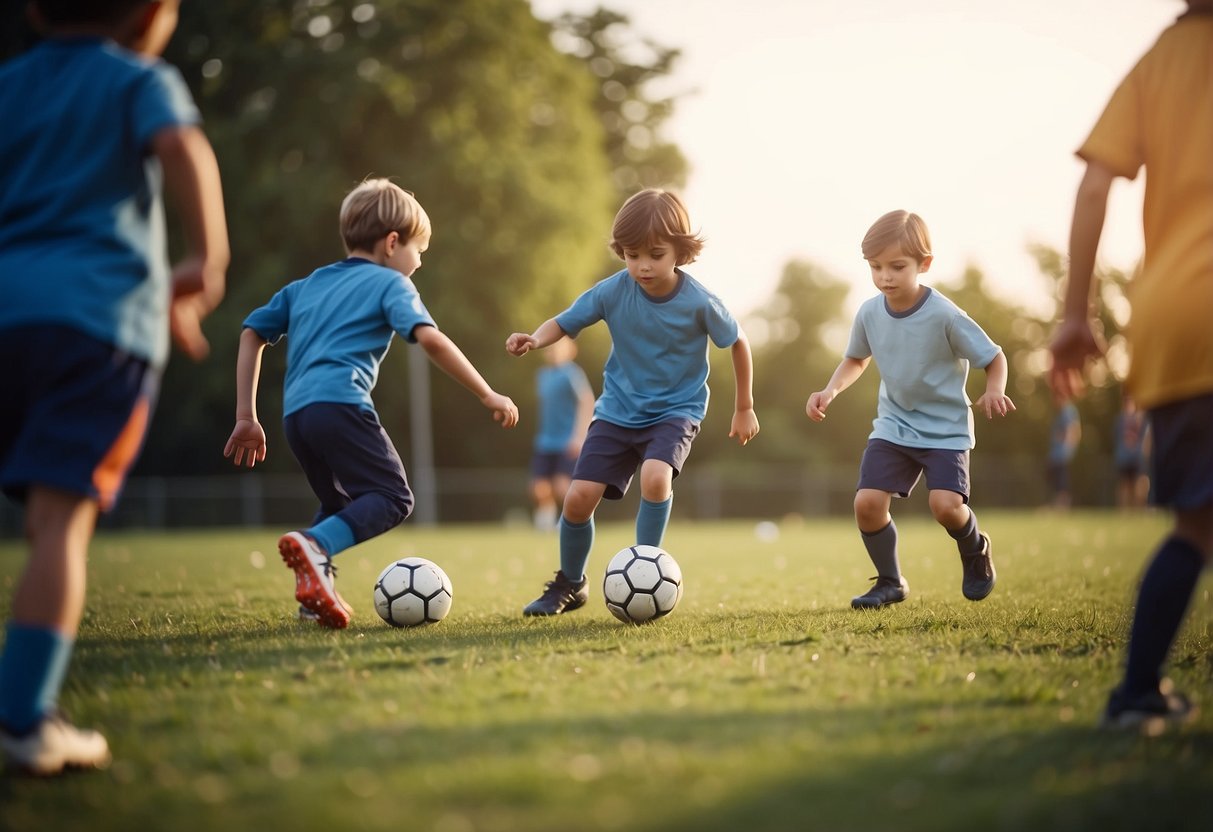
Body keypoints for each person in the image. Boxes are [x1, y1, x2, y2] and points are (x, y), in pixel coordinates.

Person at [0, 0, 229, 775]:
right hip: (95, 324)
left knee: (37, 523)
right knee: (60, 523)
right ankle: (25, 720)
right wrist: (204, 263)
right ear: (150, 13)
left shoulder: (10, 84)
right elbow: (184, 149)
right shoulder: (138, 79)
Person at [223, 178, 518, 629]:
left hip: (295, 417)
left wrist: (247, 415)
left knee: (340, 505)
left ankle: (312, 597)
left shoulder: (307, 285)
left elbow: (251, 333)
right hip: (341, 405)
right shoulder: (389, 285)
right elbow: (431, 341)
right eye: (418, 250)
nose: (419, 262)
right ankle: (316, 546)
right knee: (392, 496)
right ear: (392, 242)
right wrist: (486, 392)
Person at [1049, 0, 1211, 730]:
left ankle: (1136, 693)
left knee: (1196, 526)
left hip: (1176, 318)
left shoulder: (1159, 60)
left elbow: (1093, 185)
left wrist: (1075, 314)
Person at [506, 188, 759, 616]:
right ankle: (570, 583)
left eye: (655, 254)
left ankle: (646, 569)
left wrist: (744, 406)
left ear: (680, 251)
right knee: (576, 498)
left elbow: (737, 342)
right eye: (631, 254)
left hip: (676, 411)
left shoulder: (699, 302)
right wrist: (535, 338)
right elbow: (565, 322)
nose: (642, 265)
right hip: (617, 412)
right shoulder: (612, 291)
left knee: (657, 478)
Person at [806, 210, 1014, 610]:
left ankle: (974, 548)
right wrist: (830, 390)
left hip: (945, 429)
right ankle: (890, 582)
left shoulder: (945, 315)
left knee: (946, 507)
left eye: (897, 266)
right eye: (876, 266)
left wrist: (994, 389)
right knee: (866, 503)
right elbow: (856, 359)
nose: (885, 276)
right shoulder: (869, 312)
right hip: (894, 425)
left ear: (925, 264)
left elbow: (995, 357)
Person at [529, 337, 594, 531]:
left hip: (567, 441)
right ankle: (546, 522)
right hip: (545, 441)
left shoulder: (572, 373)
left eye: (557, 347)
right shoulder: (542, 375)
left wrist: (579, 436)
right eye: (549, 348)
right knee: (538, 487)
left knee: (561, 486)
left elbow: (587, 401)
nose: (552, 351)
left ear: (569, 350)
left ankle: (572, 522)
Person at [1113, 394, 1150, 511]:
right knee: (1124, 484)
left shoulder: (1140, 419)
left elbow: (1145, 435)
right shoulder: (1119, 420)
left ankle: (1140, 509)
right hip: (1123, 457)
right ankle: (1124, 510)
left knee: (1140, 483)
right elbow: (1117, 438)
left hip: (1137, 457)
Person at [1047, 396, 1081, 510]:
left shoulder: (1068, 411)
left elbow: (1073, 430)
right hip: (1056, 454)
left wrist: (1067, 448)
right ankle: (1058, 506)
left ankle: (1062, 507)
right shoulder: (1062, 412)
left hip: (1062, 454)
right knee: (1057, 481)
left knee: (1062, 482)